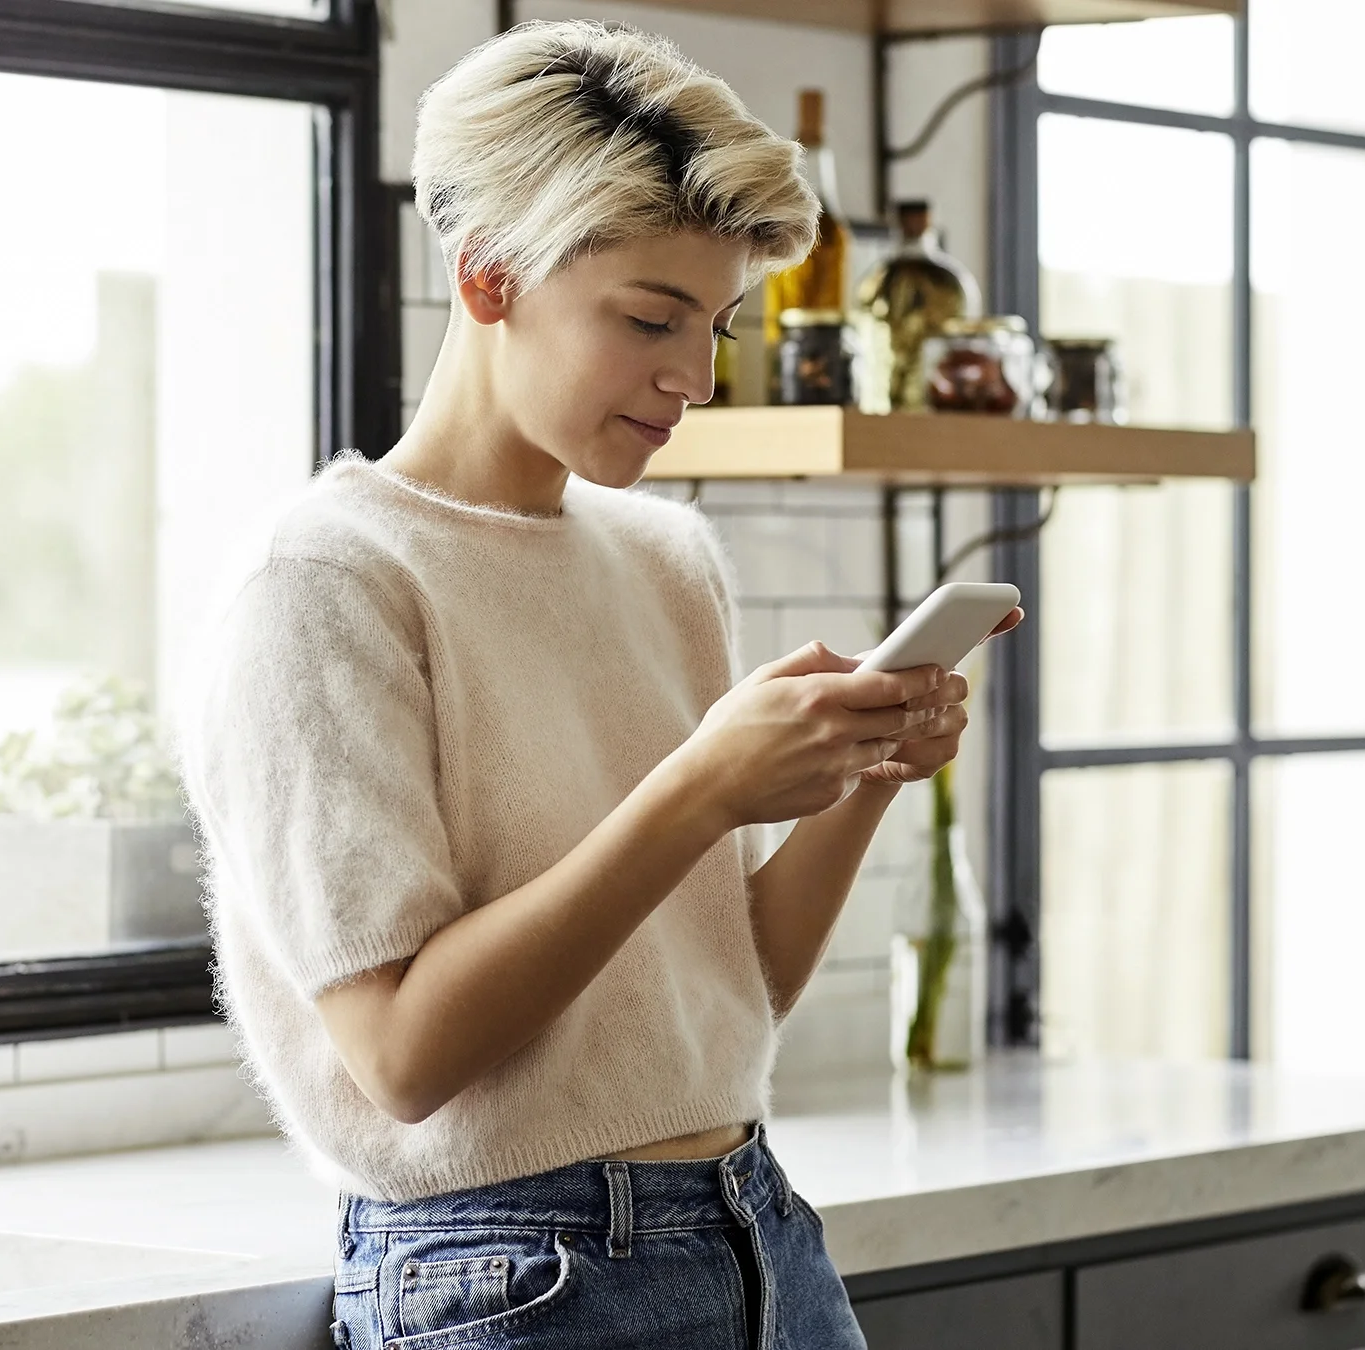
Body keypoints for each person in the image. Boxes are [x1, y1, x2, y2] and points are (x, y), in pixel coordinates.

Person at [184, 20, 1020, 1349]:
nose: (693, 378)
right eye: (649, 319)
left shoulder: (665, 558)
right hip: (510, 1272)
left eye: (718, 324)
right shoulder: (326, 586)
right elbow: (403, 1057)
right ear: (489, 277)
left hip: (759, 1231)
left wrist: (861, 773)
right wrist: (699, 788)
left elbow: (724, 992)